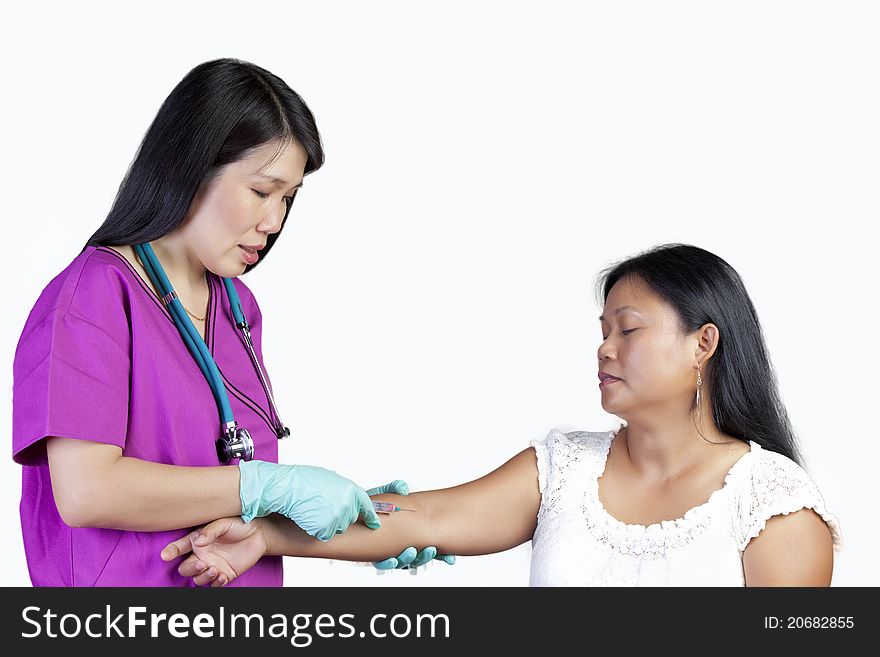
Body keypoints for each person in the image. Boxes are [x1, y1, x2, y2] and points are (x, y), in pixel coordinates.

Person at [163, 243, 842, 586]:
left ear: (704, 342)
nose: (603, 347)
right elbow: (426, 517)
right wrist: (268, 534)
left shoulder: (773, 502)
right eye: (601, 327)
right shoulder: (566, 467)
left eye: (627, 329)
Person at [11, 58, 448, 586]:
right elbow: (86, 492)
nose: (274, 222)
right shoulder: (93, 298)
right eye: (262, 191)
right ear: (189, 167)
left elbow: (237, 502)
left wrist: (350, 523)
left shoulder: (237, 307)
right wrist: (269, 486)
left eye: (288, 198)